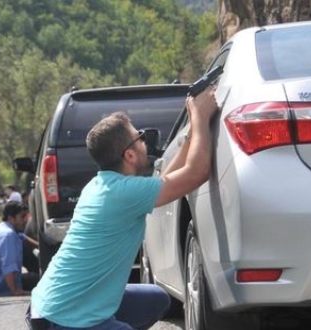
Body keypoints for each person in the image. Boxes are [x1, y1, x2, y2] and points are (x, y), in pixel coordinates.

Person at [26, 88, 220, 330]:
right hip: (63, 317)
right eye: (139, 137)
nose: (144, 140)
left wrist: (192, 134)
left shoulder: (104, 185)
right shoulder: (122, 193)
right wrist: (201, 117)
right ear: (129, 154)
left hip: (49, 306)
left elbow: (168, 182)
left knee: (155, 300)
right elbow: (196, 173)